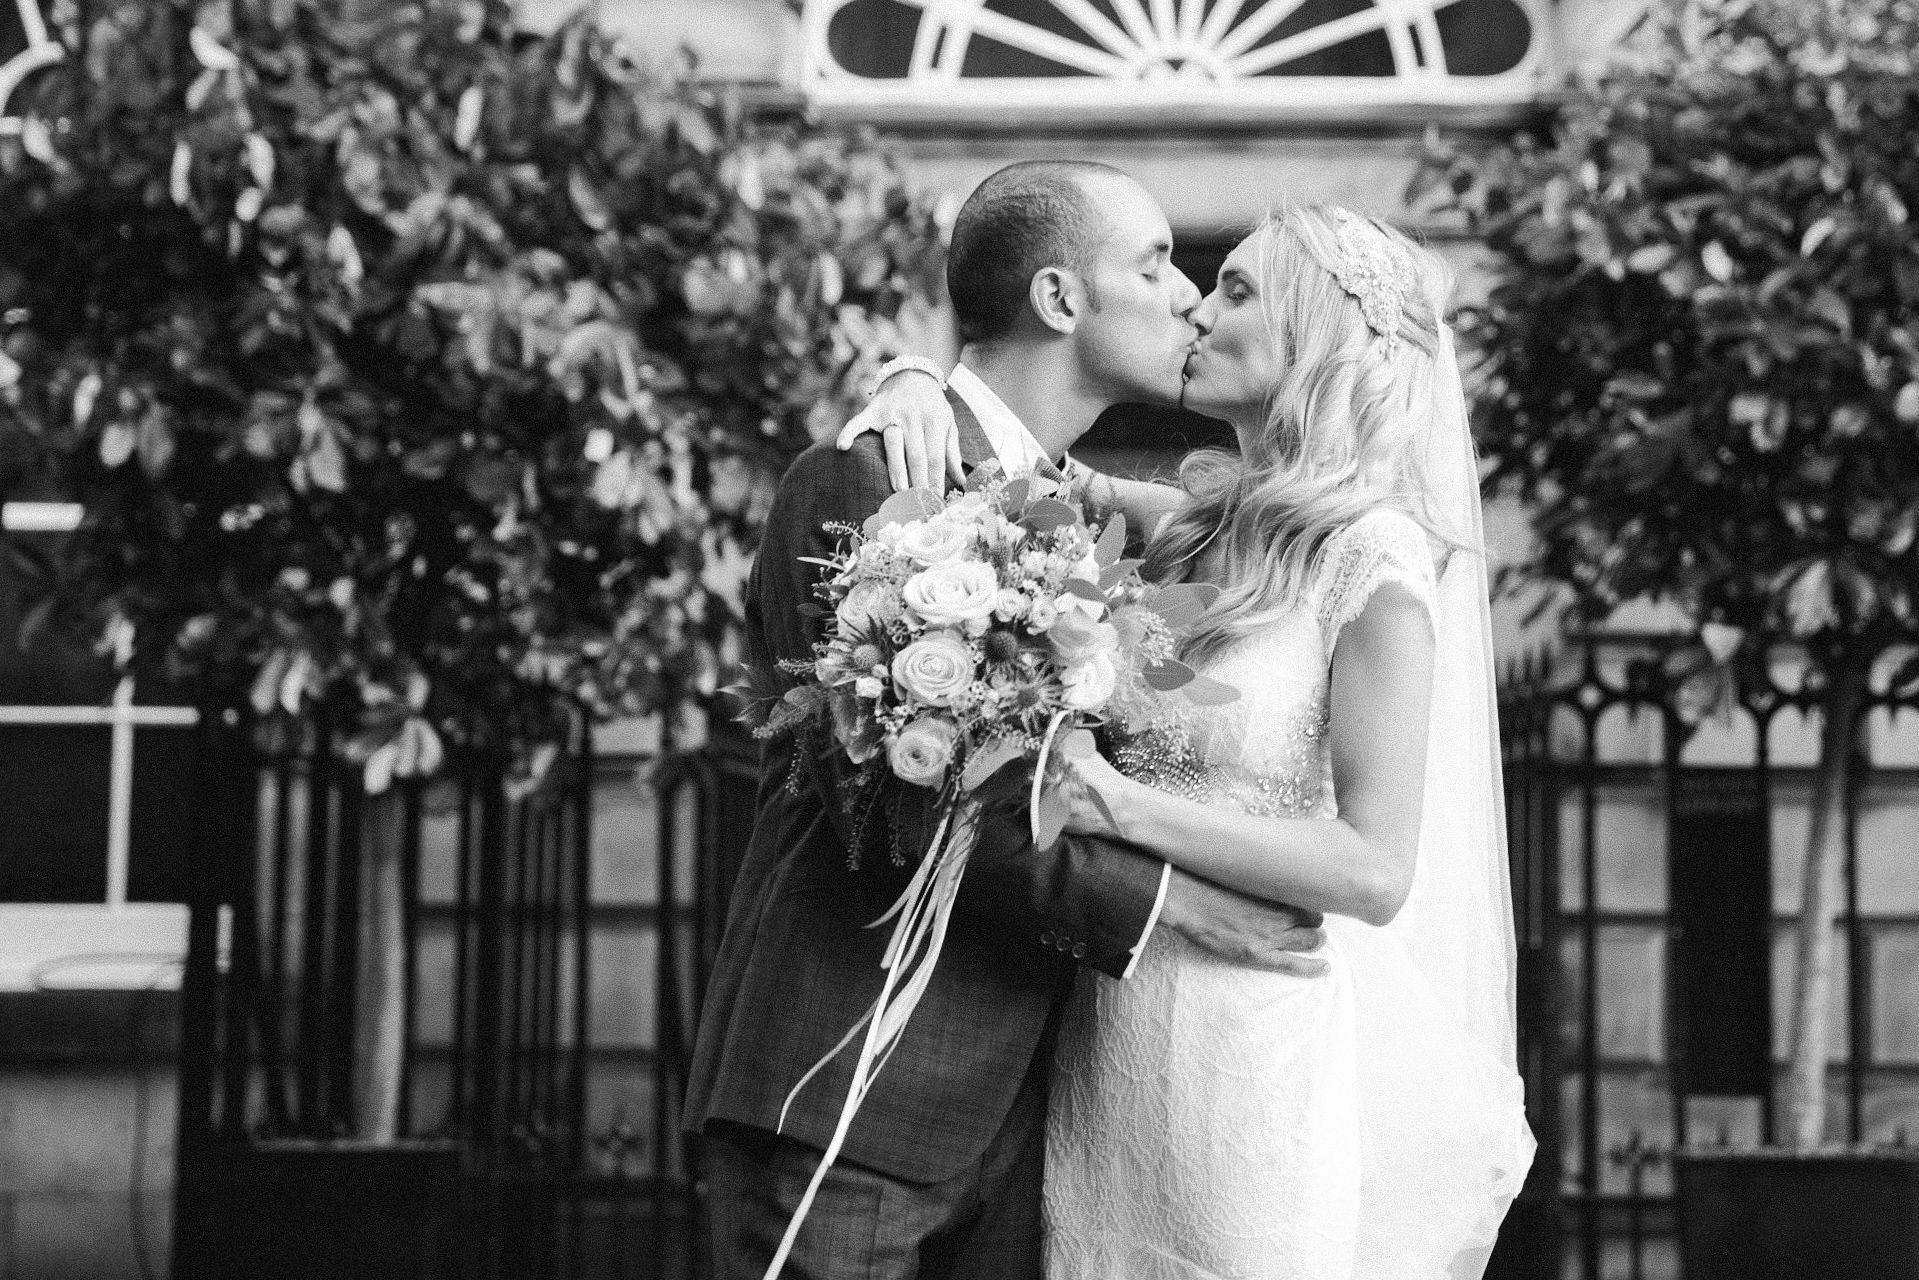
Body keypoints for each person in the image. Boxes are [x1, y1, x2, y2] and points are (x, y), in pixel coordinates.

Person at [849, 206, 1535, 1277]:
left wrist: (1114, 803)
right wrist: (903, 376)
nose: (1197, 310)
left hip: (1248, 1047)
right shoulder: (1187, 525)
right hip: (1105, 1045)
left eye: (1238, 292)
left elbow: (1370, 866)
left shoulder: (1373, 557)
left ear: (1314, 337)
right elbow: (999, 453)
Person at [683, 160, 1329, 1280]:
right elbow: (912, 806)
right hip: (850, 1093)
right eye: (1153, 263)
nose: (1184, 296)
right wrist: (1183, 912)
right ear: (1058, 300)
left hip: (1041, 1121)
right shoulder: (866, 479)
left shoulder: (1086, 521)